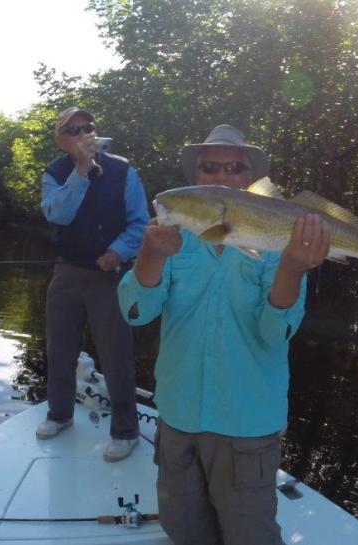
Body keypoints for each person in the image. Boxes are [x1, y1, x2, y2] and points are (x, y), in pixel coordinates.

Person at [117, 124, 331, 544]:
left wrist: (291, 269)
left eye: (235, 168)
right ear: (196, 180)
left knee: (249, 535)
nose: (222, 176)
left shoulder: (280, 237)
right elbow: (135, 312)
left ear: (251, 179)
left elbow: (275, 333)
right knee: (182, 529)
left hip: (246, 424)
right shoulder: (173, 237)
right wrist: (149, 254)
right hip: (178, 417)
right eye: (210, 167)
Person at [37, 106, 149, 462]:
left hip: (110, 276)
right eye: (73, 130)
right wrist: (81, 171)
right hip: (67, 271)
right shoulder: (54, 173)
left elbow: (140, 223)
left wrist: (118, 252)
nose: (83, 133)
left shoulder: (123, 170)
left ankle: (126, 431)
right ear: (60, 140)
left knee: (116, 354)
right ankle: (60, 414)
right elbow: (58, 214)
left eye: (88, 127)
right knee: (60, 348)